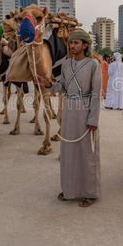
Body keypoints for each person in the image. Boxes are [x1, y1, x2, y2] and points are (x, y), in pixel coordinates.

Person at [38, 29, 102, 208]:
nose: (72, 46)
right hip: (69, 110)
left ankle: (90, 192)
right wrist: (49, 84)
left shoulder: (93, 64)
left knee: (87, 153)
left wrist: (93, 119)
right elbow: (63, 87)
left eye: (76, 43)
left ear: (85, 45)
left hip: (85, 109)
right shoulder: (66, 64)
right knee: (69, 152)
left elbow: (96, 94)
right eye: (71, 43)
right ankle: (70, 189)